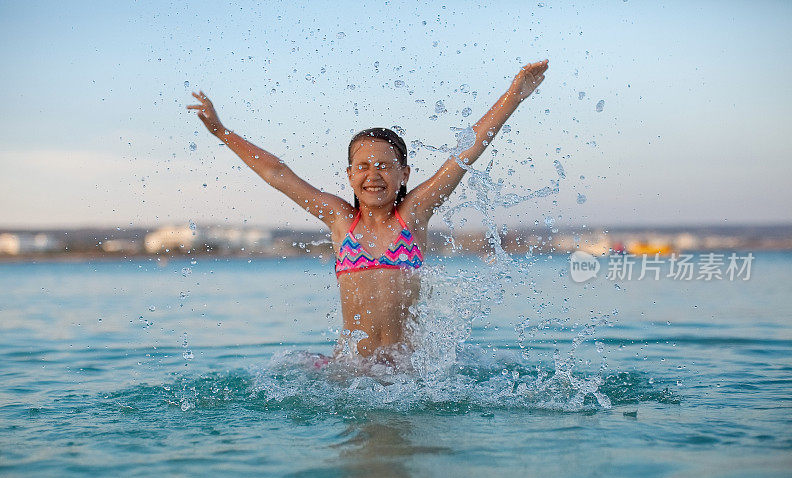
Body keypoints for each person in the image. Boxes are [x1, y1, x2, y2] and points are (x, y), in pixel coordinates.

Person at [187, 60, 547, 366]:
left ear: (403, 174)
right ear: (349, 175)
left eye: (384, 166)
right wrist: (221, 131)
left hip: (406, 372)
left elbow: (464, 153)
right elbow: (278, 174)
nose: (373, 175)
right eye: (362, 166)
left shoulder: (413, 215)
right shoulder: (341, 221)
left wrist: (513, 94)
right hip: (350, 371)